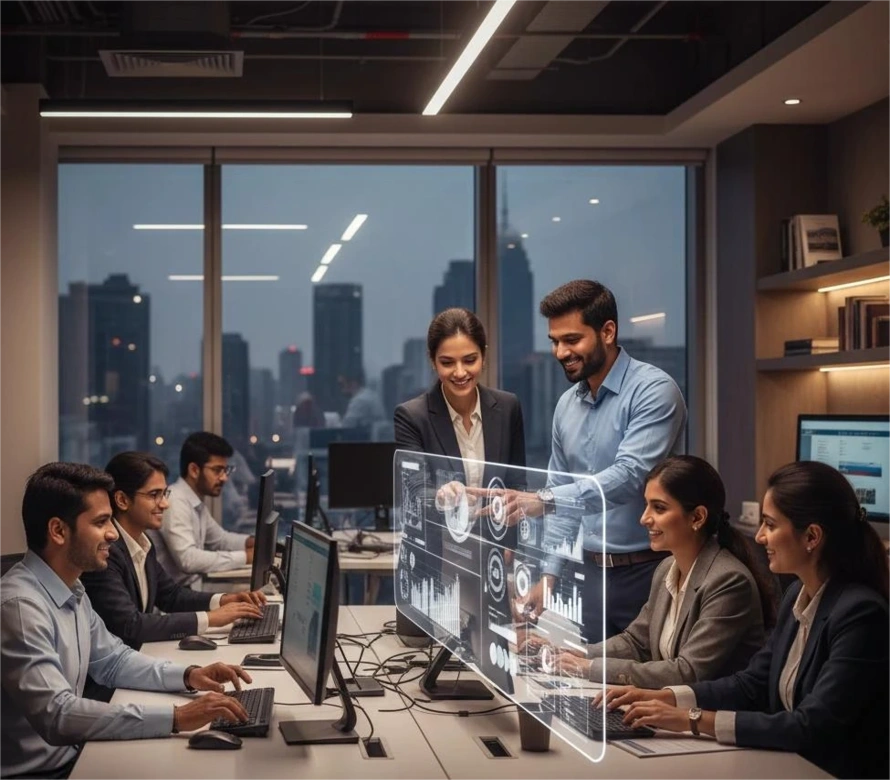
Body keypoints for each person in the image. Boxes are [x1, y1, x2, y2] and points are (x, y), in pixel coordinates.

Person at [607, 461, 890, 780]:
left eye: (770, 524)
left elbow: (811, 725)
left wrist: (692, 719)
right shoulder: (798, 593)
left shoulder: (861, 614)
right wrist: (667, 697)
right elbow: (752, 683)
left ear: (811, 536)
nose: (759, 536)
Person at [0, 462, 253, 780]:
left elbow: (113, 660)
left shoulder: (72, 587)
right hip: (40, 773)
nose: (111, 533)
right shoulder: (20, 607)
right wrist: (175, 717)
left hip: (75, 754)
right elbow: (57, 714)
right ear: (59, 531)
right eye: (101, 522)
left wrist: (189, 675)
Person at [513, 280, 687, 644]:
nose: (561, 352)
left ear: (608, 331)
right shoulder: (565, 406)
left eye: (572, 340)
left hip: (649, 572)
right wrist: (549, 576)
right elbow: (564, 495)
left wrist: (545, 501)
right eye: (555, 341)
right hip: (588, 575)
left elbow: (630, 477)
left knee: (647, 690)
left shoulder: (654, 391)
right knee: (588, 690)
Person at [549, 455, 774, 688]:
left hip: (709, 716)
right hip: (669, 710)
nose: (644, 518)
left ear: (697, 517)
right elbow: (636, 642)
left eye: (659, 508)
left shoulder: (728, 581)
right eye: (646, 505)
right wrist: (576, 654)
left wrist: (590, 668)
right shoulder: (666, 568)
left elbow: (687, 672)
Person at [81, 451, 267, 650]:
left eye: (164, 494)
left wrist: (224, 600)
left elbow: (171, 596)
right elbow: (131, 624)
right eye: (154, 495)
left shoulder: (142, 543)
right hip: (115, 673)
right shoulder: (105, 553)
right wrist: (210, 619)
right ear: (122, 500)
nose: (165, 504)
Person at [394, 307, 526, 498]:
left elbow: (517, 485)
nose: (460, 372)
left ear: (483, 356)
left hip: (494, 526)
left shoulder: (508, 407)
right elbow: (415, 490)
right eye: (447, 363)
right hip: (441, 528)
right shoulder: (412, 417)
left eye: (469, 360)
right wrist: (441, 497)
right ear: (432, 360)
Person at [149, 431, 254, 588]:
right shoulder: (175, 501)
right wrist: (246, 557)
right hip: (177, 600)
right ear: (194, 470)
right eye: (217, 470)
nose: (224, 477)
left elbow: (220, 540)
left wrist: (253, 542)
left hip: (193, 590)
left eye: (226, 470)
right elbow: (188, 559)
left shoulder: (195, 502)